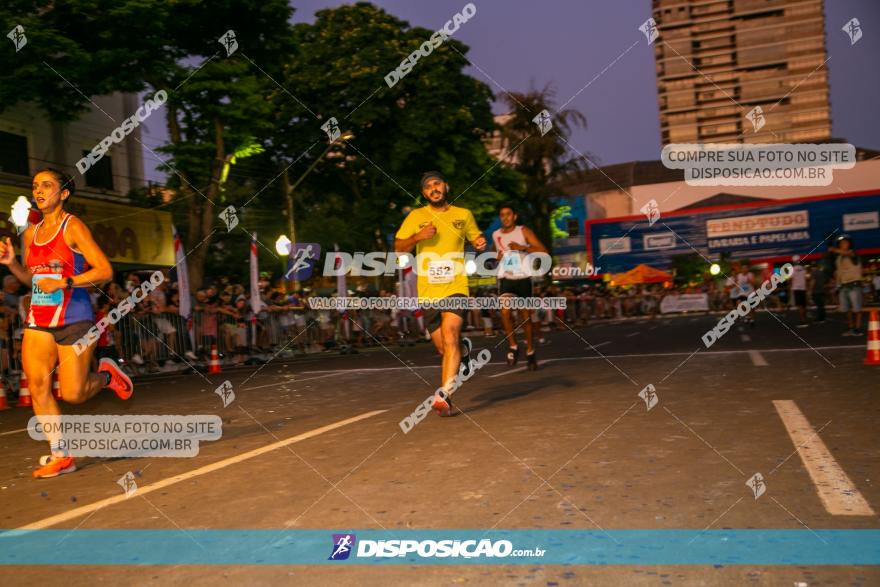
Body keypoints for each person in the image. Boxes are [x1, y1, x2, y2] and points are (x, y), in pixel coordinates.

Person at [0, 169, 132, 478]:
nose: (39, 190)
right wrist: (12, 264)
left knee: (73, 393)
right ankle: (61, 454)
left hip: (75, 318)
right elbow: (31, 281)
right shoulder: (30, 233)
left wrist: (65, 282)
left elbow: (104, 271)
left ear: (64, 194)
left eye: (47, 185)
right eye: (35, 186)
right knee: (37, 386)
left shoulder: (73, 227)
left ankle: (107, 376)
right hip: (39, 320)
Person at [395, 171, 486, 417]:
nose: (433, 189)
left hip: (456, 285)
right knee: (444, 348)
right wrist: (418, 236)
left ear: (446, 186)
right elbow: (398, 247)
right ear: (424, 193)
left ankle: (444, 394)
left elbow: (476, 237)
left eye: (437, 184)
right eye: (427, 187)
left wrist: (479, 242)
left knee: (450, 333)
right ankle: (464, 352)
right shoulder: (416, 216)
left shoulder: (463, 214)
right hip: (428, 291)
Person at [492, 203, 547, 370]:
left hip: (523, 279)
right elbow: (496, 253)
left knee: (525, 318)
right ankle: (513, 346)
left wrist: (523, 247)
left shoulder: (523, 231)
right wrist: (498, 257)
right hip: (507, 278)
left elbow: (543, 250)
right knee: (505, 311)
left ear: (515, 216)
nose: (505, 217)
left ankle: (530, 351)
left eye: (508, 214)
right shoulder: (495, 234)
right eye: (502, 215)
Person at [832, 236, 864, 336]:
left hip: (854, 284)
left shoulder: (853, 253)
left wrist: (834, 250)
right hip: (843, 285)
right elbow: (838, 272)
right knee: (845, 309)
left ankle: (857, 328)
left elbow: (848, 254)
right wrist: (837, 285)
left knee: (856, 308)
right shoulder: (838, 258)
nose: (843, 245)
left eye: (845, 243)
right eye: (841, 243)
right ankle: (851, 327)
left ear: (849, 244)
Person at [790, 256, 808, 328]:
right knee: (804, 305)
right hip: (803, 288)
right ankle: (805, 319)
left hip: (796, 288)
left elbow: (791, 279)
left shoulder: (793, 269)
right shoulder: (803, 269)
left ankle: (802, 321)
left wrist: (790, 288)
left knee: (800, 305)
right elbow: (806, 279)